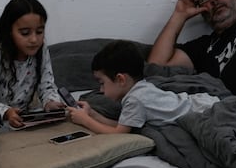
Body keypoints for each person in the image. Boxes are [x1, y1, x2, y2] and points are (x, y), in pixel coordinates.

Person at [65, 39, 218, 134]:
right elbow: (122, 125)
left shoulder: (135, 100)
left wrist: (85, 121)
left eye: (102, 83)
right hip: (201, 103)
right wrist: (91, 113)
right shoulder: (140, 89)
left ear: (120, 79)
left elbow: (119, 132)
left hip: (205, 112)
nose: (101, 90)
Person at [0, 0, 69, 129]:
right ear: (10, 31)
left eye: (39, 31)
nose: (34, 39)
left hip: (24, 119)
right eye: (25, 33)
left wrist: (51, 102)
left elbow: (47, 84)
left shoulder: (41, 50)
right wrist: (6, 112)